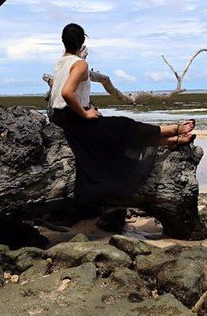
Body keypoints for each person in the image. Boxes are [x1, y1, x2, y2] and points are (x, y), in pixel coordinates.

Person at [49, 23, 195, 214]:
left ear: (63, 41)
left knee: (115, 130)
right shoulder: (80, 64)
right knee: (123, 126)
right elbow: (67, 93)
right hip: (74, 119)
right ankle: (172, 129)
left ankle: (167, 140)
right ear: (83, 43)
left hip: (62, 118)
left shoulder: (61, 62)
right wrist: (85, 113)